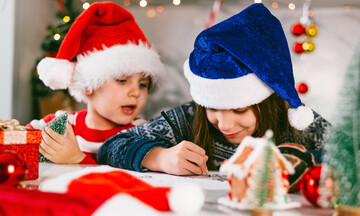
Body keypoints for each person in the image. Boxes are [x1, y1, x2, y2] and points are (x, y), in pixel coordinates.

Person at [98, 3, 329, 183]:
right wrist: (159, 157)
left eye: (240, 109)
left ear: (267, 101)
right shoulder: (189, 119)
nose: (225, 124)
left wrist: (293, 162)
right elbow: (111, 147)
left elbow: (352, 156)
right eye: (213, 108)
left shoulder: (296, 122)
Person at [27, 2, 165, 164]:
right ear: (87, 86)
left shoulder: (142, 133)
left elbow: (128, 182)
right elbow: (15, 142)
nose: (136, 92)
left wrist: (77, 160)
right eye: (122, 81)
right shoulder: (63, 124)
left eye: (142, 84)